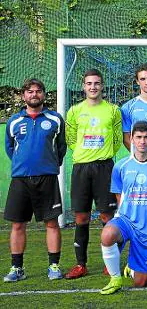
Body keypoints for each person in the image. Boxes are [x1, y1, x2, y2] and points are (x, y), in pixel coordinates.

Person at [100, 121, 147, 295]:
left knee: (140, 283)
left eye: (146, 137)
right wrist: (123, 212)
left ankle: (132, 266)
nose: (142, 141)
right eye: (139, 137)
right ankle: (115, 278)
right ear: (132, 139)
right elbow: (119, 193)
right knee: (107, 234)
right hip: (125, 220)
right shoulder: (121, 166)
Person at [4, 78, 67, 282]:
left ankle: (54, 265)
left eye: (38, 91)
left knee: (51, 223)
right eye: (30, 91)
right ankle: (17, 268)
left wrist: (48, 164)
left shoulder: (55, 119)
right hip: (21, 179)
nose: (34, 94)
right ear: (24, 96)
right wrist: (23, 165)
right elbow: (10, 149)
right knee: (17, 225)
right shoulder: (14, 121)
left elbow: (61, 148)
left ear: (43, 94)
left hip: (47, 178)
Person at [64, 69, 123, 279]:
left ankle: (110, 262)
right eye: (89, 83)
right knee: (81, 216)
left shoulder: (113, 110)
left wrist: (102, 154)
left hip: (104, 167)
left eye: (97, 83)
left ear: (102, 86)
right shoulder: (74, 111)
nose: (93, 87)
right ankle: (81, 264)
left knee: (107, 216)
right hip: (81, 167)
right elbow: (71, 139)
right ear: (83, 86)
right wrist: (84, 153)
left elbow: (117, 140)